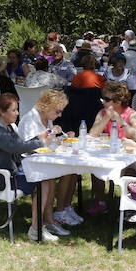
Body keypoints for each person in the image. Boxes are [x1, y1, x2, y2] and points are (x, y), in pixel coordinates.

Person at [0, 93, 63, 241]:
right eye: (13, 110)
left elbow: (22, 145)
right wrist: (43, 142)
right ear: (1, 112)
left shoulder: (6, 127)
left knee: (46, 177)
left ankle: (46, 222)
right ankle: (36, 229)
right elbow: (17, 148)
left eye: (16, 109)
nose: (17, 113)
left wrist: (48, 134)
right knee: (43, 181)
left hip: (8, 173)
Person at [16, 89, 82, 227]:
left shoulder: (47, 119)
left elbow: (49, 140)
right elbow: (32, 146)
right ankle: (50, 219)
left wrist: (63, 138)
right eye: (57, 111)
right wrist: (54, 138)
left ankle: (64, 208)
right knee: (50, 176)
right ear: (46, 106)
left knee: (73, 170)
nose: (60, 115)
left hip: (44, 158)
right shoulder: (30, 119)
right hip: (29, 161)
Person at [87, 81, 136, 215]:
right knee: (96, 168)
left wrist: (121, 121)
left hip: (128, 156)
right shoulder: (102, 113)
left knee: (130, 171)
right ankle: (100, 202)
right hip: (107, 153)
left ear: (118, 102)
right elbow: (93, 134)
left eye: (107, 99)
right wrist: (106, 117)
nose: (103, 102)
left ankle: (131, 206)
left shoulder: (132, 114)